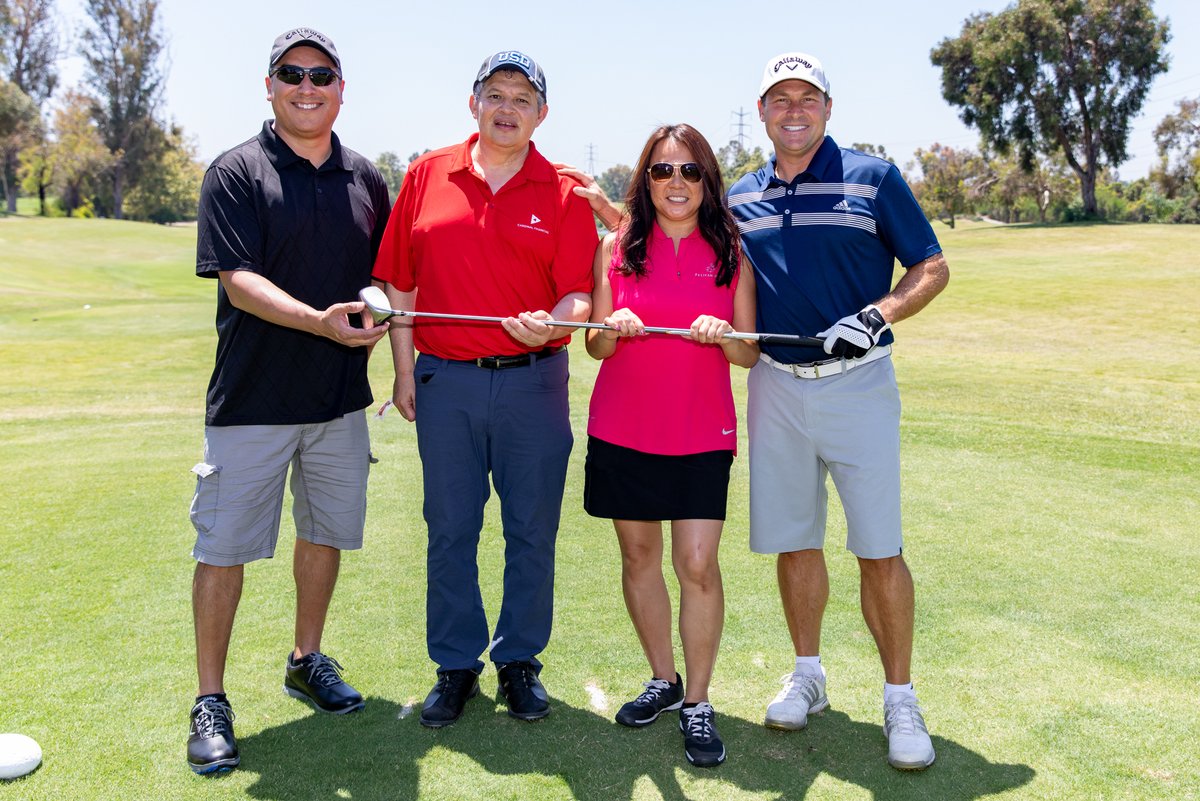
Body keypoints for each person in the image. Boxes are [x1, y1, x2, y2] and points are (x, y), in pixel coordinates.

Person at [727, 52, 950, 770]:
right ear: (761, 111)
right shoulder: (739, 197)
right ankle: (809, 673)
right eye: (779, 98)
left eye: (808, 97)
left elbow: (931, 265)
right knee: (795, 539)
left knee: (879, 546)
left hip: (858, 381)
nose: (794, 110)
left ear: (827, 107)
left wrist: (880, 313)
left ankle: (899, 696)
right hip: (776, 383)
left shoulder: (873, 177)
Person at [185, 28, 391, 775]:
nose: (308, 87)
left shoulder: (366, 179)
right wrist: (317, 321)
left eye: (322, 75)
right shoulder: (236, 172)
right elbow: (237, 278)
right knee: (224, 548)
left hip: (338, 401)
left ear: (342, 88)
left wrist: (391, 343)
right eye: (292, 74)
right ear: (269, 85)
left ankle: (307, 657)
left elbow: (386, 282)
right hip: (252, 401)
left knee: (325, 534)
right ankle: (211, 697)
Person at [371, 51, 597, 728]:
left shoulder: (564, 188)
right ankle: (456, 664)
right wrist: (405, 370)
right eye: (495, 94)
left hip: (533, 384)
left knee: (531, 529)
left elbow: (579, 294)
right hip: (447, 383)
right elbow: (400, 285)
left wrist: (550, 326)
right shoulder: (425, 174)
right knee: (450, 529)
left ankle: (520, 659)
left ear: (542, 114)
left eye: (522, 99)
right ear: (474, 102)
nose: (507, 108)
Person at [582, 124, 758, 768]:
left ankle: (700, 702)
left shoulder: (732, 249)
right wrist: (613, 328)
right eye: (662, 171)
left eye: (689, 171)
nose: (676, 183)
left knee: (698, 564)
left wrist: (721, 334)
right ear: (645, 179)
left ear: (707, 180)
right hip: (623, 427)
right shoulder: (615, 246)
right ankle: (664, 678)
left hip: (700, 431)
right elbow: (595, 344)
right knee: (639, 557)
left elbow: (749, 351)